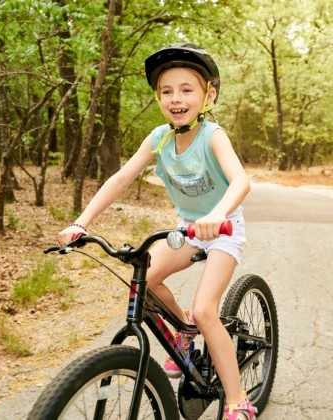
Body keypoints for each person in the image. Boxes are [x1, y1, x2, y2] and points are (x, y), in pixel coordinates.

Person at [58, 43, 256, 420]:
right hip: (187, 229)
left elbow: (240, 181)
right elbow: (119, 179)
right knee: (144, 281)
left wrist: (217, 214)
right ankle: (184, 329)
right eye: (167, 91)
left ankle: (236, 400)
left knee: (205, 309)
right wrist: (81, 223)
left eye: (186, 89)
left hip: (224, 229)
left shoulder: (212, 135)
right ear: (157, 97)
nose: (176, 98)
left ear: (207, 95)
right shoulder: (159, 139)